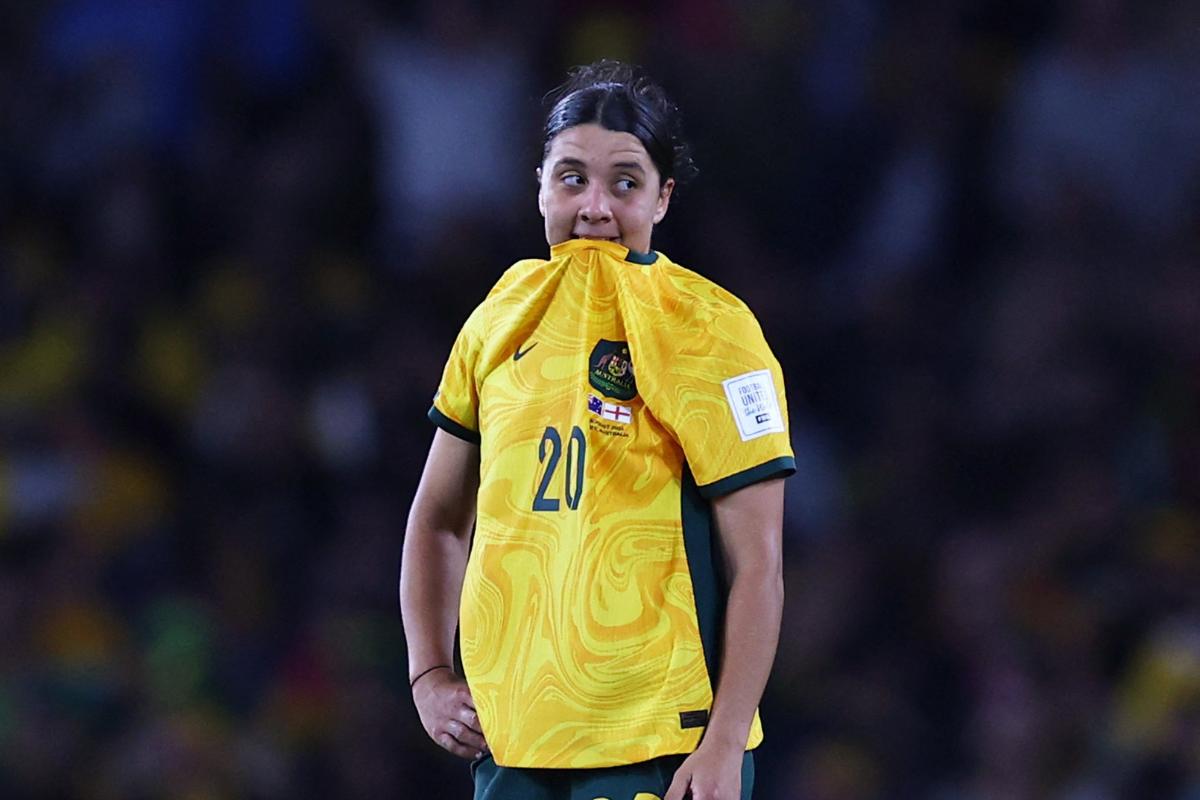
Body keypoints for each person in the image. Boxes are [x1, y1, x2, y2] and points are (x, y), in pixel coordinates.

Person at [400, 60, 795, 800]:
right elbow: (440, 517)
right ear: (540, 184)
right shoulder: (497, 318)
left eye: (625, 182)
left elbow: (759, 564)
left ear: (664, 197)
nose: (595, 206)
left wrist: (724, 742)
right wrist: (428, 673)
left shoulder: (716, 330)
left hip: (658, 741)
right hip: (515, 735)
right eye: (572, 177)